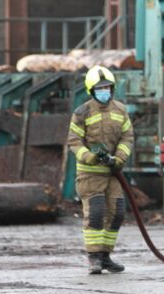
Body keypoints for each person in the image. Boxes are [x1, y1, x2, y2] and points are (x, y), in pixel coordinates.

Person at [67, 66, 133, 274]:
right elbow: (74, 141)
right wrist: (90, 156)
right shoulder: (82, 112)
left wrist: (120, 158)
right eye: (99, 88)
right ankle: (93, 257)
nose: (104, 90)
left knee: (117, 213)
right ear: (91, 90)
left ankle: (105, 256)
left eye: (107, 87)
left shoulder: (120, 110)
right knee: (95, 213)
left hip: (112, 172)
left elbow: (127, 137)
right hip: (89, 174)